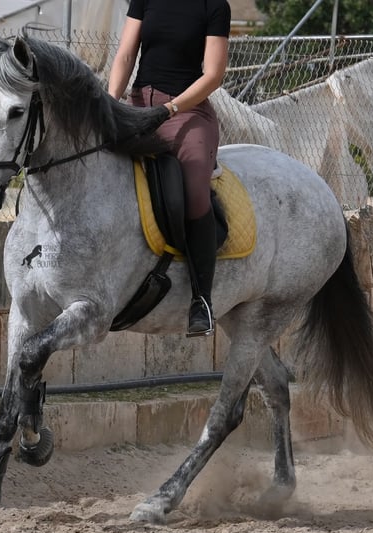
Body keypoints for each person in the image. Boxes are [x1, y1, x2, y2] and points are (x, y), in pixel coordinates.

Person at [108, 0, 231, 337]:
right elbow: (125, 56)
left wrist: (172, 108)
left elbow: (214, 74)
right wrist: (109, 102)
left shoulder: (214, 6)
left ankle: (201, 300)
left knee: (194, 193)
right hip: (136, 106)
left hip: (187, 112)